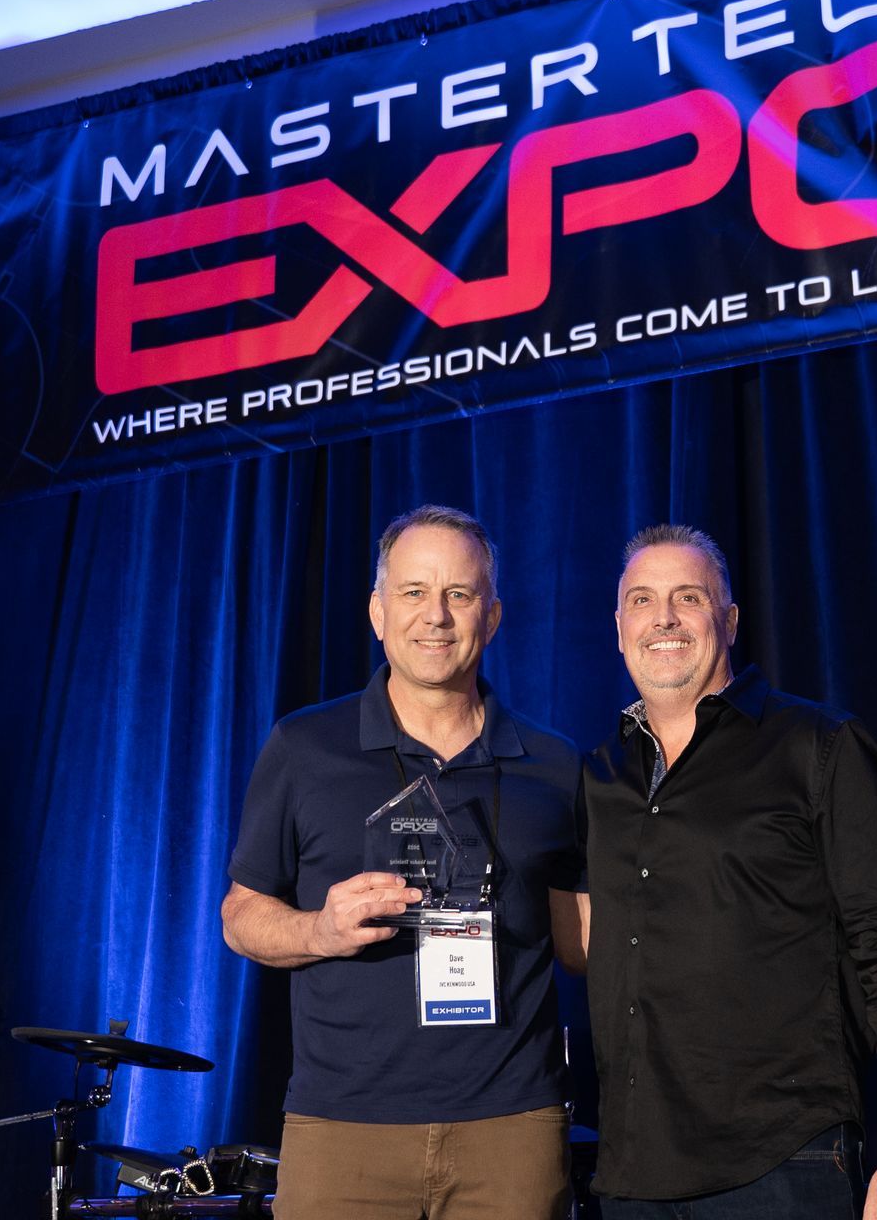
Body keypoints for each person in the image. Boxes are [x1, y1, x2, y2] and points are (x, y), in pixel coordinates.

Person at [221, 505, 587, 1220]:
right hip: (343, 1132)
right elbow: (241, 916)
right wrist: (319, 932)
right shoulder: (303, 747)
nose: (437, 617)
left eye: (460, 594)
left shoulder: (554, 763)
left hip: (512, 1130)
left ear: (494, 614)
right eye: (414, 593)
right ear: (377, 613)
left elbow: (580, 936)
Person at [575, 524, 877, 1220]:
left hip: (782, 1166)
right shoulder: (600, 773)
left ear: (730, 619)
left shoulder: (817, 746)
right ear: (619, 627)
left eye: (688, 597)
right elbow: (581, 933)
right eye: (641, 600)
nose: (663, 618)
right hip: (632, 1177)